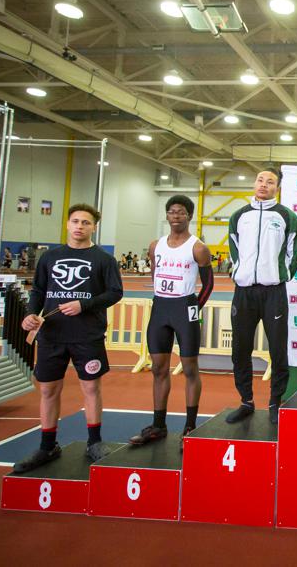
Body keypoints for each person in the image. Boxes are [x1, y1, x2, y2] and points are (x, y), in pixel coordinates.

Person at [13, 204, 124, 473]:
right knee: (49, 390)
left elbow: (115, 293)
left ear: (94, 227)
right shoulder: (50, 257)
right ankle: (47, 445)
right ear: (67, 224)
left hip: (88, 335)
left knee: (91, 388)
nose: (79, 226)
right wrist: (30, 315)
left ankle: (94, 442)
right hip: (52, 334)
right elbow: (38, 291)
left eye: (86, 222)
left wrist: (83, 306)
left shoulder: (104, 260)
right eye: (75, 221)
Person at [129, 196, 213, 448]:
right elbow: (155, 273)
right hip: (161, 307)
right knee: (158, 368)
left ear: (189, 216)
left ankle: (189, 426)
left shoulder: (198, 247)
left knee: (189, 369)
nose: (176, 216)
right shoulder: (156, 246)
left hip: (184, 307)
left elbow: (208, 285)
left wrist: (192, 309)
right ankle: (158, 425)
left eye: (181, 212)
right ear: (166, 215)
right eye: (171, 212)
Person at [226, 168, 297, 425]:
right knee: (240, 350)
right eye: (260, 179)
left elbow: (296, 251)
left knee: (278, 350)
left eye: (270, 182)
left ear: (277, 188)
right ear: (254, 183)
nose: (263, 185)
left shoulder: (286, 216)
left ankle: (275, 402)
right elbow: (234, 248)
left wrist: (282, 274)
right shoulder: (239, 216)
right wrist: (240, 272)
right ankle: (246, 401)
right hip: (244, 292)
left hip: (274, 292)